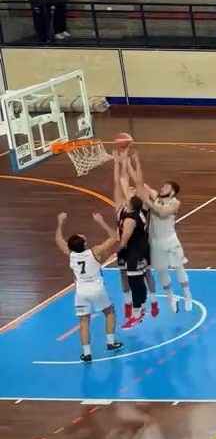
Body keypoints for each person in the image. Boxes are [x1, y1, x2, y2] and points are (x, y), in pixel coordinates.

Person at [127, 152, 193, 313]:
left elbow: (162, 212)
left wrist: (147, 201)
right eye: (163, 186)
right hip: (155, 241)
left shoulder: (175, 203)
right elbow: (140, 183)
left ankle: (187, 295)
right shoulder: (155, 197)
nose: (162, 188)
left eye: (166, 187)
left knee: (179, 268)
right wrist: (131, 163)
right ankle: (171, 297)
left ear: (173, 192)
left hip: (170, 240)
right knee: (161, 271)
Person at [55, 212, 123, 362]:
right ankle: (111, 342)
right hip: (96, 288)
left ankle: (86, 353)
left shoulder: (71, 254)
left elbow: (59, 240)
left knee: (84, 321)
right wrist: (101, 221)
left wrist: (60, 222)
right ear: (84, 244)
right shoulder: (94, 251)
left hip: (81, 291)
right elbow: (114, 237)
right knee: (109, 312)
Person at [113, 150, 159, 319]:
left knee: (145, 274)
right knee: (124, 275)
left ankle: (152, 302)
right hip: (126, 247)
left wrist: (135, 163)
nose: (130, 189)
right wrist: (120, 162)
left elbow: (138, 183)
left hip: (139, 246)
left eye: (132, 190)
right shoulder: (121, 207)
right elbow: (120, 182)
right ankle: (128, 303)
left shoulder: (142, 206)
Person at [117, 193, 151, 329]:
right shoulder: (140, 212)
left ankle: (136, 315)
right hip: (142, 250)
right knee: (139, 280)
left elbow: (125, 236)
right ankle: (141, 306)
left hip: (134, 253)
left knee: (134, 282)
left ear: (131, 205)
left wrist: (120, 247)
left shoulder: (130, 219)